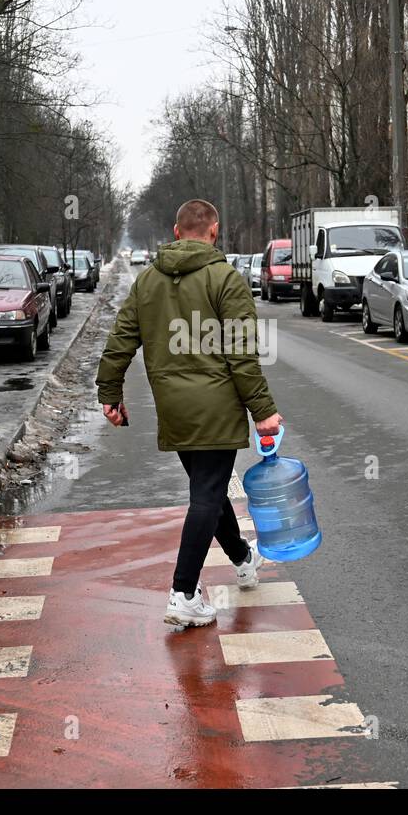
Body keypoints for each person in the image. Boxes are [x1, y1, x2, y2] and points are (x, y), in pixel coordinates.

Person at [97, 199, 283, 628]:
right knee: (206, 496)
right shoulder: (225, 279)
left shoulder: (147, 282)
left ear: (176, 232)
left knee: (208, 492)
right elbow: (241, 354)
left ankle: (241, 559)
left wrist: (110, 392)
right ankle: (183, 592)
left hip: (175, 408)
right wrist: (264, 412)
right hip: (216, 408)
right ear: (214, 231)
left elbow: (120, 340)